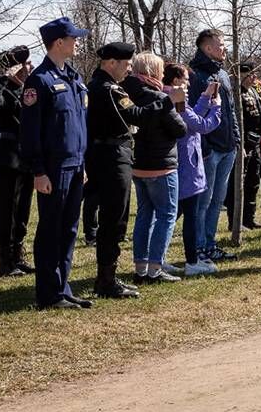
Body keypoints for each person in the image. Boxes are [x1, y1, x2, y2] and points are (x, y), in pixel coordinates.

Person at [86, 42, 183, 297]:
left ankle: (109, 277)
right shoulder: (107, 89)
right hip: (110, 156)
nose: (129, 69)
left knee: (119, 219)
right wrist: (167, 102)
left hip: (113, 154)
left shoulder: (106, 87)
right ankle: (106, 281)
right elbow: (137, 116)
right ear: (111, 63)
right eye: (126, 64)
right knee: (113, 220)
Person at [20, 17, 92, 309]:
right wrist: (38, 171)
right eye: (73, 38)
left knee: (70, 228)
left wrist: (83, 163)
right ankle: (49, 293)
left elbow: (79, 125)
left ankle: (63, 286)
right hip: (53, 168)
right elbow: (30, 131)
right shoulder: (39, 81)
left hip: (75, 165)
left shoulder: (73, 78)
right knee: (51, 228)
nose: (77, 42)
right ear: (59, 43)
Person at [126, 52, 188, 282]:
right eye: (160, 70)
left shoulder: (129, 94)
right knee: (166, 215)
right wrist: (177, 104)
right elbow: (180, 129)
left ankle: (141, 267)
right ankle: (155, 268)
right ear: (153, 72)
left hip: (139, 165)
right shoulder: (158, 96)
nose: (163, 74)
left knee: (144, 215)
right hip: (161, 164)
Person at [164, 62, 222, 276]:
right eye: (186, 79)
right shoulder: (175, 100)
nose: (188, 84)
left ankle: (157, 258)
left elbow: (192, 115)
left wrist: (206, 97)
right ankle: (191, 261)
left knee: (172, 214)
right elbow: (201, 125)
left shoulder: (174, 100)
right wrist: (216, 107)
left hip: (186, 165)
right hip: (186, 167)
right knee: (190, 215)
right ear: (175, 81)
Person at [188, 29, 239, 263]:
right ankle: (198, 247)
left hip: (228, 147)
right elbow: (193, 114)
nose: (225, 48)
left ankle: (210, 243)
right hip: (210, 150)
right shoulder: (196, 75)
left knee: (217, 201)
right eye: (221, 44)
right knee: (203, 202)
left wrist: (236, 139)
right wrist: (205, 148)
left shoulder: (224, 74)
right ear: (207, 48)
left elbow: (231, 109)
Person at [0, 47, 36, 277]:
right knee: (7, 209)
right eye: (26, 64)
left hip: (27, 155)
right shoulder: (2, 89)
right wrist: (5, 76)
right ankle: (4, 261)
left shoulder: (27, 90)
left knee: (23, 208)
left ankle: (18, 255)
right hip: (9, 155)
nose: (31, 67)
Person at [227, 63, 261, 231]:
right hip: (244, 143)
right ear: (241, 75)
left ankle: (249, 218)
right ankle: (235, 221)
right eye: (250, 74)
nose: (254, 78)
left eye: (254, 74)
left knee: (253, 180)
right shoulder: (235, 93)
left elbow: (257, 115)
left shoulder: (253, 91)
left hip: (256, 141)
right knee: (239, 182)